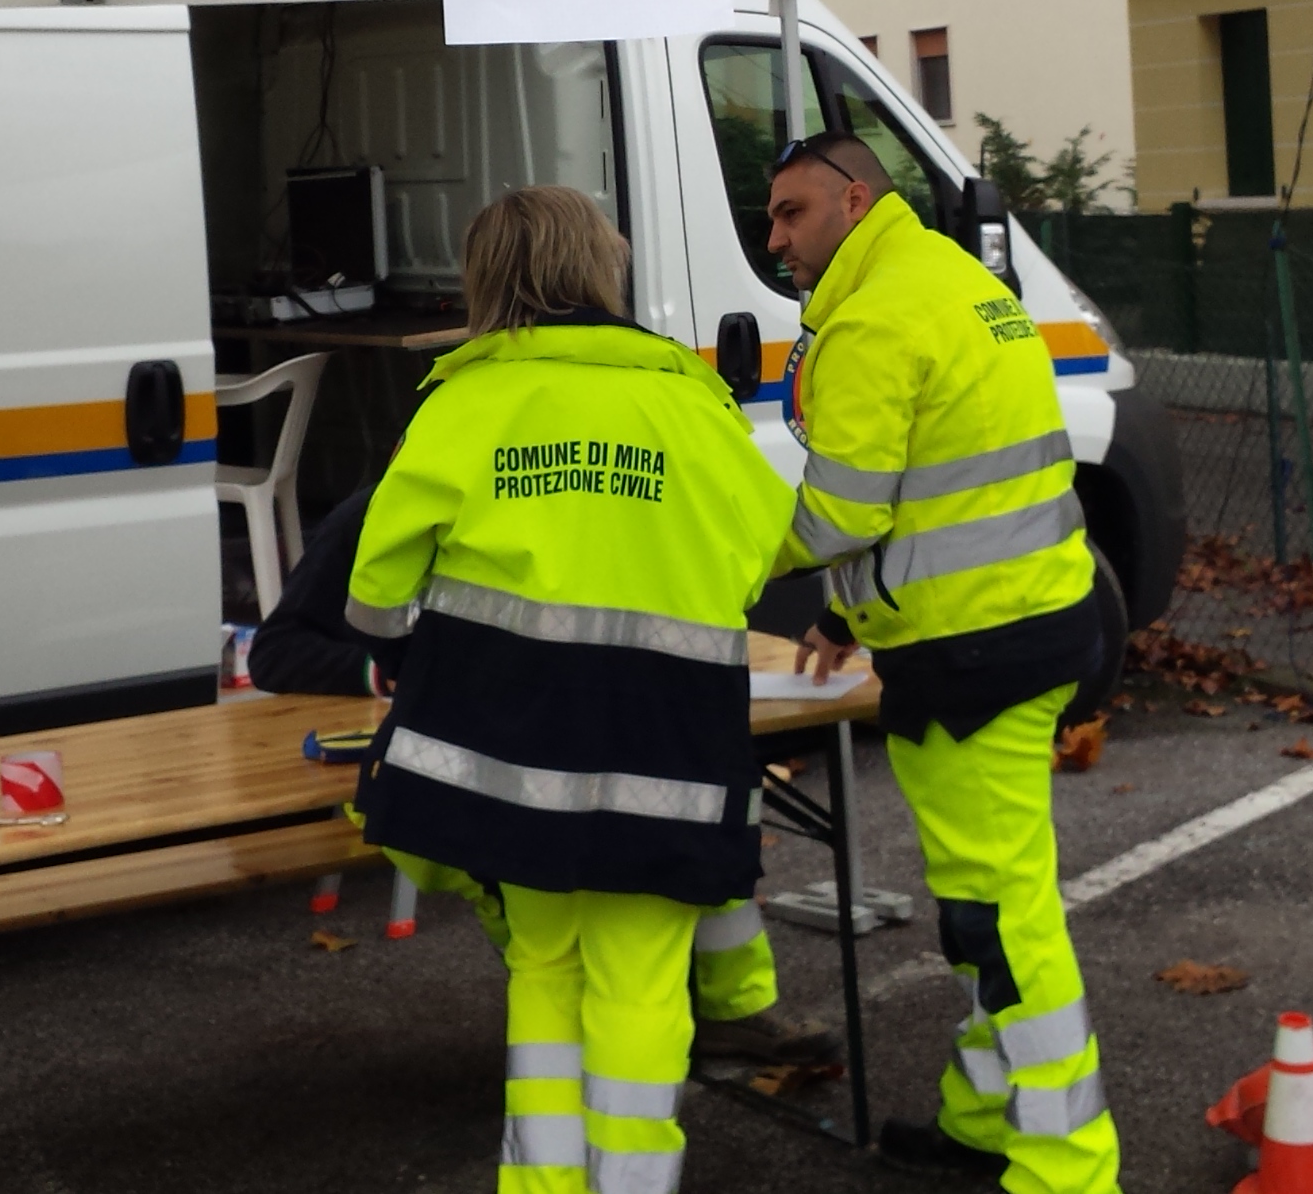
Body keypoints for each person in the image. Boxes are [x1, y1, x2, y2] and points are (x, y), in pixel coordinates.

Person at [348, 186, 794, 1194]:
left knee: (544, 972)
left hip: (514, 763)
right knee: (642, 989)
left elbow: (374, 599)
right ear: (603, 268)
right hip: (669, 749)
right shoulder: (692, 403)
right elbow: (767, 553)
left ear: (485, 280)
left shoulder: (462, 403)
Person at [768, 134, 1118, 1192]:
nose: (776, 238)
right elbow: (941, 486)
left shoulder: (874, 317)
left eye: (791, 213)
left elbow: (840, 514)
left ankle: (1066, 1168)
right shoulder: (956, 279)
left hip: (973, 654)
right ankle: (984, 1119)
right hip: (1034, 621)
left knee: (1006, 916)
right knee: (983, 906)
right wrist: (847, 616)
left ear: (852, 200)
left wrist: (715, 554)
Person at [247, 478, 834, 1066]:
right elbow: (276, 653)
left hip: (540, 737)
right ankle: (579, 1018)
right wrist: (387, 672)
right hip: (434, 765)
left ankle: (727, 1010)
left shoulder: (546, 497)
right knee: (520, 868)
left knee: (691, 822)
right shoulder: (380, 510)